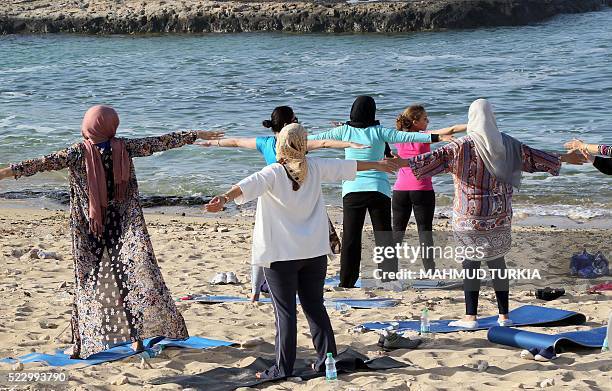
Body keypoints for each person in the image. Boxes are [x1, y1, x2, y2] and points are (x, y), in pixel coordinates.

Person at [0, 105, 224, 358]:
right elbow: (161, 142)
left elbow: (39, 164)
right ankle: (137, 340)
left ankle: (81, 344)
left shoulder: (76, 152)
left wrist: (5, 173)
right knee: (130, 280)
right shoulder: (124, 148)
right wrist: (197, 134)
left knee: (87, 283)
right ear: (110, 126)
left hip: (90, 229)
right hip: (125, 227)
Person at [205, 123, 399, 379]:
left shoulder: (273, 171)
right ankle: (326, 360)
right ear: (303, 143)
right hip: (314, 253)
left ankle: (282, 369)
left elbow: (244, 187)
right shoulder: (315, 166)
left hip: (280, 256)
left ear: (282, 144)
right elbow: (349, 167)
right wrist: (379, 165)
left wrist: (224, 199)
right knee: (315, 307)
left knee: (285, 314)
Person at [403, 99, 583, 328]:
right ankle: (504, 316)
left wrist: (389, 163)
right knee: (498, 262)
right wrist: (567, 158)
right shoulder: (508, 144)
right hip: (499, 215)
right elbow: (535, 157)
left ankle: (470, 317)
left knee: (471, 263)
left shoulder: (460, 147)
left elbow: (426, 162)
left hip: (468, 216)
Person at [198, 105, 368, 301]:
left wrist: (212, 143)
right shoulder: (296, 142)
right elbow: (323, 143)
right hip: (298, 193)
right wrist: (351, 145)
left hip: (273, 194)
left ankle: (255, 290)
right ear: (290, 123)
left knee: (262, 241)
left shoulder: (265, 142)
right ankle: (293, 279)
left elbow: (237, 142)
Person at [307, 95, 453, 288]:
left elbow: (317, 139)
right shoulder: (379, 132)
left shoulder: (344, 131)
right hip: (379, 190)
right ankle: (388, 279)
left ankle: (347, 282)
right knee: (383, 237)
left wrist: (286, 139)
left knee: (351, 238)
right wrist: (437, 138)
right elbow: (409, 136)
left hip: (352, 190)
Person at [390, 104, 466, 272]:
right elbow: (452, 128)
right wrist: (475, 125)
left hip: (399, 191)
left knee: (397, 232)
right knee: (424, 231)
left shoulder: (397, 136)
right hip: (422, 190)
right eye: (425, 118)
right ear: (415, 121)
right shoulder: (423, 136)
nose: (428, 121)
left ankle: (389, 269)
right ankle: (429, 270)